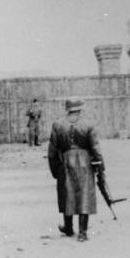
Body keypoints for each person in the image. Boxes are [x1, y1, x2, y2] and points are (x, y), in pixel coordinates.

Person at [48, 98, 104, 242]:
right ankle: (82, 233)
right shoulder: (89, 124)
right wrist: (100, 166)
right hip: (85, 162)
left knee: (67, 193)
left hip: (65, 162)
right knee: (84, 194)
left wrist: (54, 169)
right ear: (80, 109)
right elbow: (95, 148)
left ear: (67, 109)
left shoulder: (58, 124)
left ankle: (68, 228)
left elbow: (52, 151)